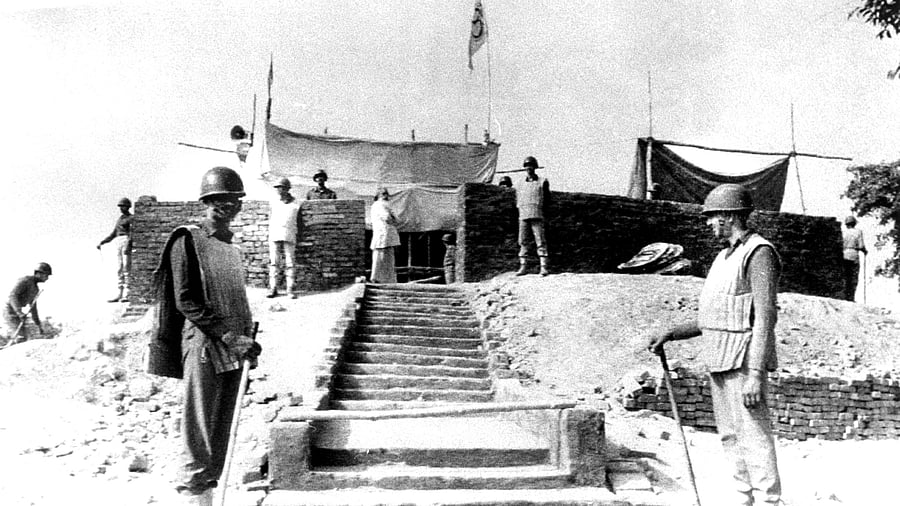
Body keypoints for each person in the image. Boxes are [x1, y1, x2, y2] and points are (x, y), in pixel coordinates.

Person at [648, 183, 783, 506]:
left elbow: (765, 317)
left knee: (754, 438)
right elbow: (714, 316)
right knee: (730, 437)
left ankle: (769, 501)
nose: (709, 224)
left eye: (712, 218)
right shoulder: (724, 257)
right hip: (720, 359)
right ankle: (743, 499)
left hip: (743, 362)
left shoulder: (759, 253)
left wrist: (754, 373)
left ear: (729, 216)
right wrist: (672, 332)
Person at [148, 166, 261, 506]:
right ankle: (193, 499)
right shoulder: (187, 238)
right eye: (222, 202)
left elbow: (234, 299)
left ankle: (208, 500)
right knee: (198, 429)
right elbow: (186, 300)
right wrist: (229, 336)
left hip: (233, 344)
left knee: (221, 427)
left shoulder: (231, 248)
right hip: (202, 342)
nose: (230, 208)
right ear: (208, 202)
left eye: (235, 201)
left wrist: (246, 340)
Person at [515, 156, 551, 276]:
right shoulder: (519, 183)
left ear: (535, 167)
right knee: (523, 241)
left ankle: (543, 267)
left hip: (537, 214)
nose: (528, 168)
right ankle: (523, 266)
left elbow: (547, 199)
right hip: (524, 214)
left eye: (531, 165)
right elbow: (517, 199)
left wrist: (543, 211)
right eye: (526, 166)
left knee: (540, 240)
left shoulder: (542, 181)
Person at [96, 197, 134, 302]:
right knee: (119, 268)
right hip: (118, 241)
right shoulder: (120, 219)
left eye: (124, 206)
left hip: (126, 240)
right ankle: (120, 294)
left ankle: (128, 294)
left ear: (128, 207)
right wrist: (102, 242)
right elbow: (113, 234)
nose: (122, 208)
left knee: (127, 267)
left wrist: (128, 245)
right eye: (121, 206)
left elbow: (132, 233)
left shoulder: (131, 218)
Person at [268, 177, 300, 299]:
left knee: (290, 263)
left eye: (281, 188)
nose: (279, 190)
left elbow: (299, 220)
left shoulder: (296, 203)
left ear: (287, 189)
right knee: (274, 262)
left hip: (289, 233)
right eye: (277, 188)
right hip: (275, 233)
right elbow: (270, 217)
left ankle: (290, 289)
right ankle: (273, 289)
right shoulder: (273, 201)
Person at [4, 262, 52, 344]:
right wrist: (19, 312)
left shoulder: (35, 289)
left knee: (24, 337)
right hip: (10, 311)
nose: (47, 278)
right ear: (38, 273)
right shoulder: (25, 281)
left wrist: (38, 324)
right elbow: (12, 296)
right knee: (20, 337)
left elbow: (33, 308)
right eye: (46, 275)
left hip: (17, 314)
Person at [370, 187, 400, 283]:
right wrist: (392, 218)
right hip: (382, 234)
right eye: (383, 194)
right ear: (378, 195)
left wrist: (393, 218)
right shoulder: (379, 205)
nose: (385, 196)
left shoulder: (386, 205)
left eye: (386, 194)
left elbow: (398, 219)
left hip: (387, 235)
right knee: (380, 257)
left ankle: (389, 279)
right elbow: (387, 217)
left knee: (389, 258)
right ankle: (377, 278)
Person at [842, 215, 867, 302]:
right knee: (854, 277)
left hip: (844, 254)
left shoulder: (843, 232)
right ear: (854, 224)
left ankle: (845, 296)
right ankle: (851, 297)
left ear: (846, 224)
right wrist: (865, 251)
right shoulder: (858, 232)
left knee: (846, 276)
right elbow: (861, 246)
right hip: (854, 255)